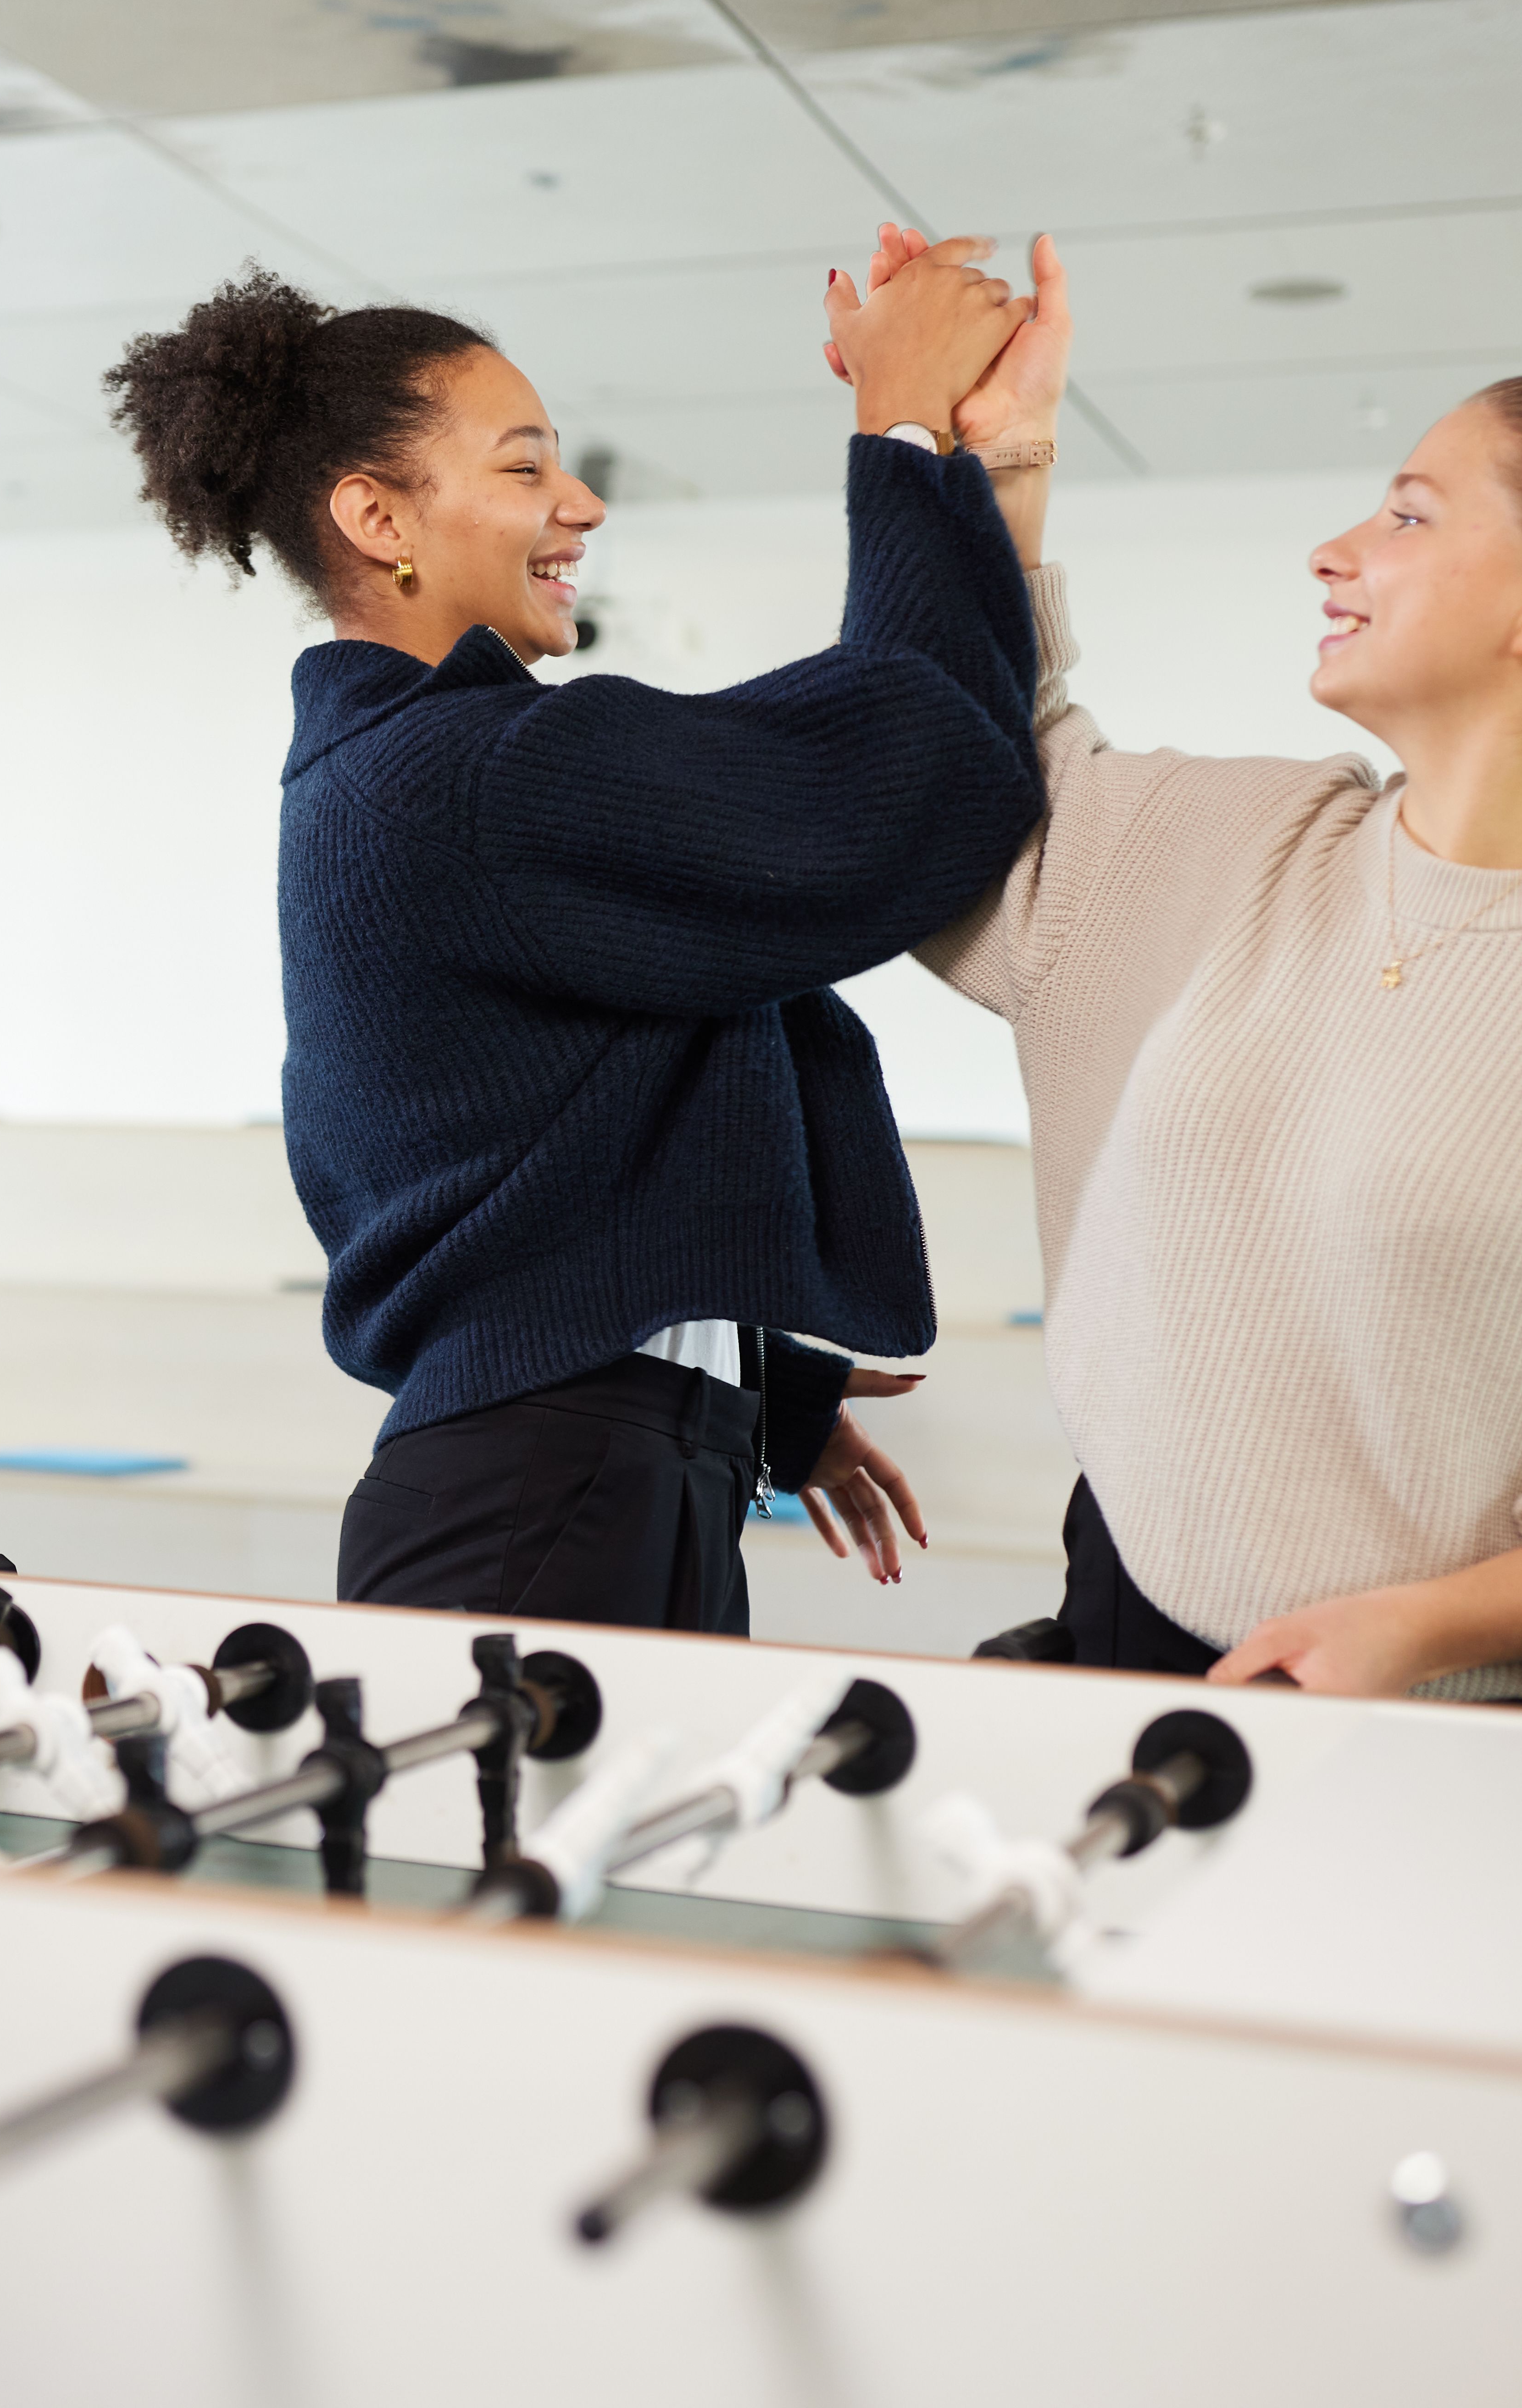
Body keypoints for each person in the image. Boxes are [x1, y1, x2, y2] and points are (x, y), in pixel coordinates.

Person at [888, 218, 1522, 1725]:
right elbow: (986, 774)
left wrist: (1422, 1631)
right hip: (1131, 1632)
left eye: (1412, 518)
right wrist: (1003, 467)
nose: (1338, 551)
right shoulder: (1245, 846)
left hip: (1467, 1716)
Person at [104, 250, 1054, 1635]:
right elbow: (905, 784)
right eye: (522, 469)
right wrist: (902, 435)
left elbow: (522, 1150)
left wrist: (737, 1385)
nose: (581, 504)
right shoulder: (467, 776)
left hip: (575, 1479)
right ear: (378, 517)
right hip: (544, 1496)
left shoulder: (396, 776)